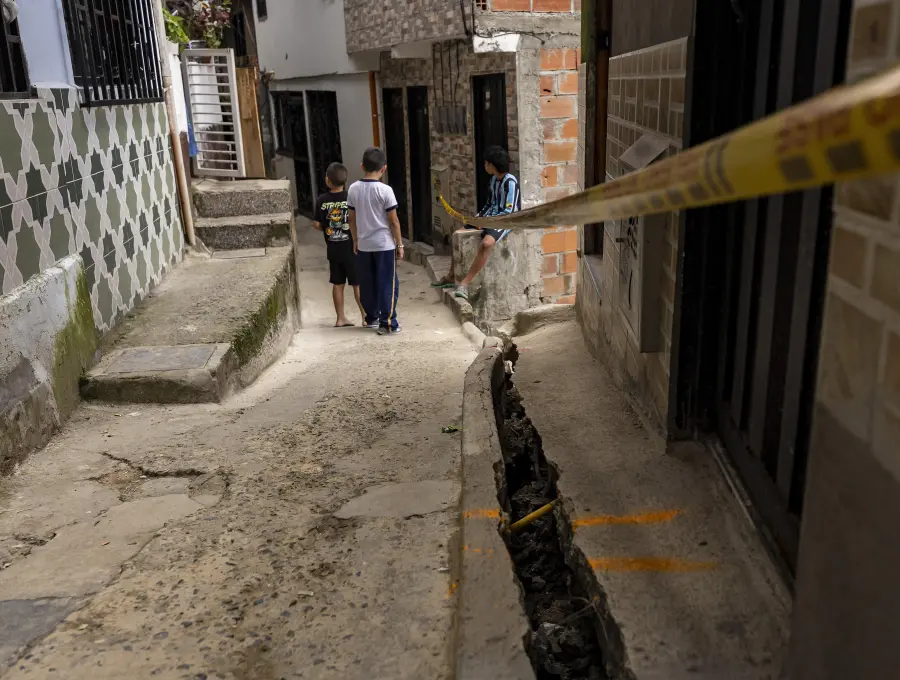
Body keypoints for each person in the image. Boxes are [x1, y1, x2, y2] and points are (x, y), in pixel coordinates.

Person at [431, 145, 521, 300]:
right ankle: (451, 275)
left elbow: (509, 211)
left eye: (486, 163)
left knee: (486, 244)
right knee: (456, 234)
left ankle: (465, 283)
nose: (485, 166)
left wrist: (486, 223)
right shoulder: (493, 180)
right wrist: (477, 218)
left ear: (492, 165)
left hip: (503, 222)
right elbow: (489, 204)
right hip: (487, 219)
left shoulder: (510, 182)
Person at [348, 147, 405, 335]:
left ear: (362, 166)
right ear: (384, 168)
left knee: (367, 282)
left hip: (364, 244)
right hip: (384, 244)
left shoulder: (353, 189)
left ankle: (371, 317)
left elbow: (352, 217)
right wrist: (400, 244)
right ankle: (388, 322)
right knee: (387, 282)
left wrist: (355, 239)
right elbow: (394, 221)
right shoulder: (385, 190)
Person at [313, 162, 367, 328]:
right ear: (345, 181)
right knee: (357, 283)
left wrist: (326, 226)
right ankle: (365, 317)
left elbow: (316, 224)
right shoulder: (350, 197)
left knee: (338, 283)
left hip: (333, 249)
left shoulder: (322, 200)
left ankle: (340, 318)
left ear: (327, 180)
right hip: (352, 248)